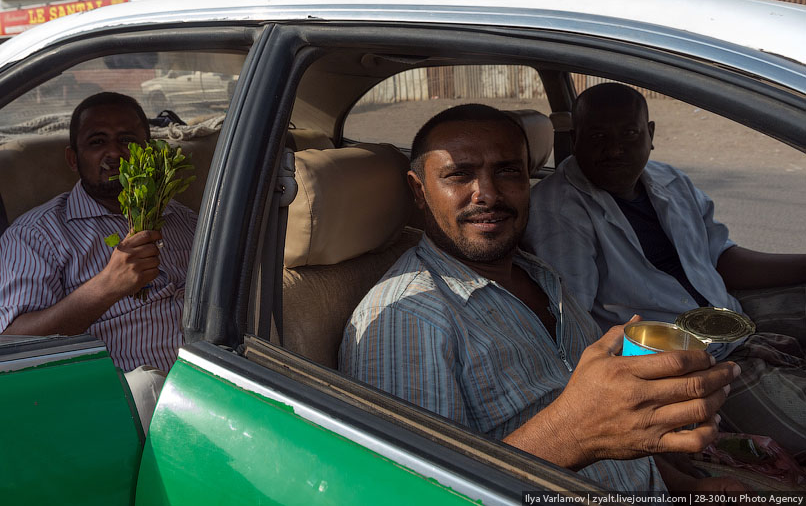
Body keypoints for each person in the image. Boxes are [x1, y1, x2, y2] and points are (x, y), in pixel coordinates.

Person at [339, 104, 741, 492]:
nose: (487, 194)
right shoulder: (409, 318)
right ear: (420, 190)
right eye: (459, 175)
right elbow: (416, 492)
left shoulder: (540, 275)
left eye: (508, 171)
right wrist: (573, 433)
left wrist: (690, 487)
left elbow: (616, 429)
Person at [524, 82, 806, 461]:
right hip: (682, 363)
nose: (614, 149)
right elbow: (573, 319)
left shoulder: (670, 181)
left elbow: (720, 259)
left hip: (730, 319)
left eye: (629, 133)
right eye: (598, 136)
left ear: (650, 134)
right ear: (576, 140)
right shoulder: (558, 210)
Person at [0, 92, 198, 374]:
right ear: (73, 159)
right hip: (123, 393)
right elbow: (10, 345)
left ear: (149, 151)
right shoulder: (36, 235)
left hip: (209, 380)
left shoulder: (185, 219)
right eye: (97, 142)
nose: (114, 153)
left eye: (127, 141)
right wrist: (108, 286)